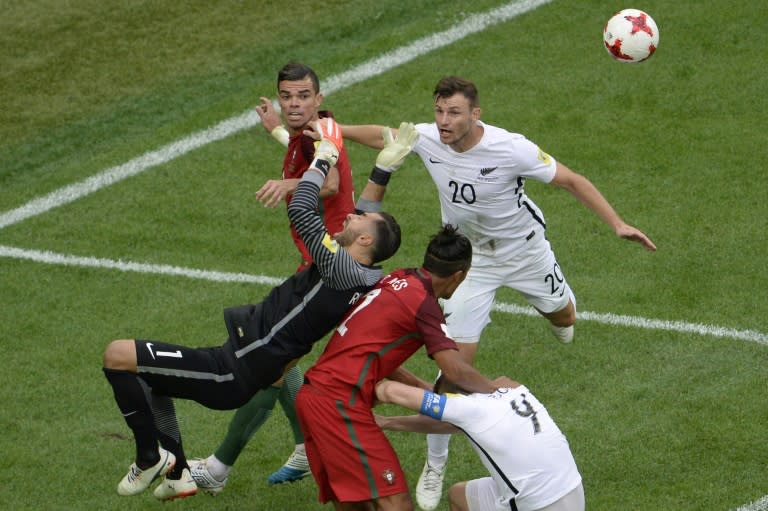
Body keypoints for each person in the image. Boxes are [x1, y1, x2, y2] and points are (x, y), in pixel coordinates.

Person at [341, 75, 656, 510]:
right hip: (473, 263)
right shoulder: (429, 138)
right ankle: (436, 463)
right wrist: (333, 130)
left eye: (453, 112)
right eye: (438, 111)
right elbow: (382, 135)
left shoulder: (512, 148)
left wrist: (617, 223)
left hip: (525, 252)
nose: (444, 120)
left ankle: (561, 313)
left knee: (564, 318)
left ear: (475, 114)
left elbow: (572, 180)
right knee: (453, 368)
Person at [101, 120, 416, 501]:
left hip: (231, 369)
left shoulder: (339, 267)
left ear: (363, 239)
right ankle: (178, 472)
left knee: (117, 355)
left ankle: (151, 456)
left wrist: (325, 157)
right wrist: (383, 169)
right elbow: (369, 216)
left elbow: (301, 208)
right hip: (240, 362)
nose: (348, 214)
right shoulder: (362, 272)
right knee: (147, 379)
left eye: (357, 219)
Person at [190, 61, 357, 492]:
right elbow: (308, 156)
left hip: (329, 270)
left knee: (271, 364)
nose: (295, 103)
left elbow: (332, 182)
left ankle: (217, 468)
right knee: (281, 357)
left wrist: (292, 187)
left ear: (318, 99)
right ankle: (305, 447)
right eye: (287, 97)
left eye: (303, 96)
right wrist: (275, 130)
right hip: (321, 264)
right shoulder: (308, 135)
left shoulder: (320, 137)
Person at [296, 224, 518, 511]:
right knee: (396, 503)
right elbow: (455, 371)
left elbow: (373, 354)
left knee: (355, 502)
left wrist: (422, 388)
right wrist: (496, 392)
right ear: (459, 275)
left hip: (313, 395)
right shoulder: (425, 305)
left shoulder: (398, 278)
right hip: (339, 402)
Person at [375, 376, 585, 511]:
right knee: (459, 496)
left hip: (538, 505)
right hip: (571, 489)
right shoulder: (510, 387)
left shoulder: (468, 411)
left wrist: (371, 377)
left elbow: (390, 391)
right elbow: (453, 425)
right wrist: (386, 422)